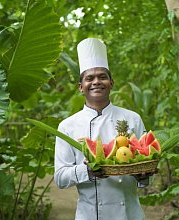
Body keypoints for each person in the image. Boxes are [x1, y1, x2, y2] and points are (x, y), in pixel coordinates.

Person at [54, 38, 149, 220]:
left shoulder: (132, 119)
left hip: (129, 214)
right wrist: (87, 171)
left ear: (111, 83)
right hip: (89, 215)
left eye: (102, 77)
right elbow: (60, 178)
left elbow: (144, 176)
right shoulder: (67, 126)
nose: (96, 82)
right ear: (81, 87)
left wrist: (143, 175)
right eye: (90, 78)